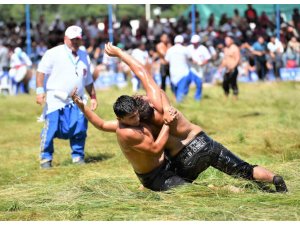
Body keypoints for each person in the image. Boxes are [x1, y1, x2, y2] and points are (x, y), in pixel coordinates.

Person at [103, 43, 288, 193]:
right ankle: (274, 179)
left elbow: (146, 145)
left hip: (183, 159)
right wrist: (120, 52)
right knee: (244, 169)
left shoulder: (142, 126)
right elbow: (142, 71)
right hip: (205, 143)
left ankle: (221, 190)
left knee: (169, 181)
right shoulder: (158, 102)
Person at [72, 42, 188, 191]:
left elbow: (146, 77)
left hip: (167, 164)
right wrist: (167, 123)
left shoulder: (136, 116)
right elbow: (100, 125)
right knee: (189, 190)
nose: (137, 119)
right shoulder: (124, 130)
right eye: (131, 118)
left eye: (136, 114)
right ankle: (148, 186)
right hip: (154, 175)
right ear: (120, 119)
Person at [36, 25, 98, 169]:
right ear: (65, 39)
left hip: (78, 100)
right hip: (55, 100)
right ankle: (46, 159)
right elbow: (40, 72)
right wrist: (40, 91)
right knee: (51, 129)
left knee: (80, 128)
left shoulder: (84, 55)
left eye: (78, 39)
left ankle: (78, 156)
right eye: (72, 39)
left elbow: (88, 80)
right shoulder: (53, 53)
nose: (75, 42)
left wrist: (93, 96)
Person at [165, 35, 190, 102]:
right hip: (183, 72)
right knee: (181, 90)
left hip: (173, 72)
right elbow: (190, 58)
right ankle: (179, 104)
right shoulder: (185, 49)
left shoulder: (170, 50)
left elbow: (166, 61)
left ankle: (177, 103)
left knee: (175, 90)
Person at [187, 34, 211, 101]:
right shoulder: (189, 48)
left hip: (199, 69)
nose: (194, 44)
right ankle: (182, 97)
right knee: (186, 83)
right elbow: (186, 56)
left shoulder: (203, 48)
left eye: (195, 43)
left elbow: (207, 58)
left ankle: (197, 98)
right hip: (190, 68)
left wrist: (202, 63)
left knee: (199, 84)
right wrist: (191, 60)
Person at [218, 35, 241, 100]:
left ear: (231, 41)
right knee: (225, 82)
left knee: (233, 83)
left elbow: (237, 59)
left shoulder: (235, 48)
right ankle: (226, 94)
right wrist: (221, 67)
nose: (226, 42)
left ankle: (235, 95)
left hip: (233, 69)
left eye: (227, 40)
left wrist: (233, 67)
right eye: (225, 40)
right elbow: (224, 60)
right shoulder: (226, 49)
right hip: (227, 69)